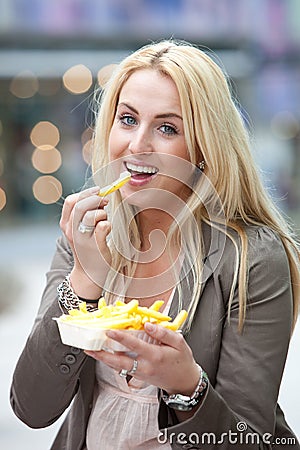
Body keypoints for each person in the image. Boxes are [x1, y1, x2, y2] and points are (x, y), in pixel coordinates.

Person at [10, 39, 300, 450]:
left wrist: (187, 385)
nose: (137, 145)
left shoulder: (253, 257)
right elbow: (32, 407)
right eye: (127, 120)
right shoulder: (87, 236)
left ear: (203, 148)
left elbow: (248, 439)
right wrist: (82, 283)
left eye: (167, 128)